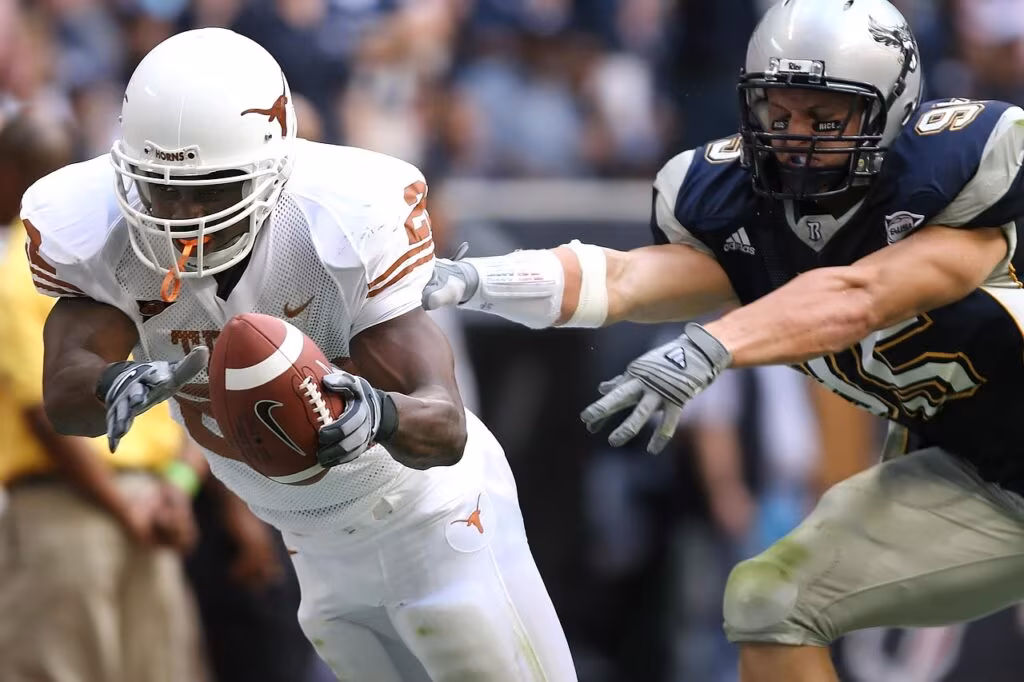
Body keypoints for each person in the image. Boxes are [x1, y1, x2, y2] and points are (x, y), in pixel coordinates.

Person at [421, 1, 1024, 680]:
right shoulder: (741, 211)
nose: (796, 137)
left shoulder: (955, 182)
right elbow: (621, 279)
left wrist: (711, 345)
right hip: (980, 474)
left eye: (826, 118)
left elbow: (861, 297)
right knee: (769, 601)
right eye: (779, 113)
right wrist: (476, 278)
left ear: (890, 109)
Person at [26, 28, 576, 682]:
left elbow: (446, 426)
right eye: (162, 188)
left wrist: (380, 415)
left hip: (436, 526)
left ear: (275, 167)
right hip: (313, 550)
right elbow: (63, 396)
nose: (183, 216)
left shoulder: (341, 217)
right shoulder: (93, 222)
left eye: (212, 189)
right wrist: (109, 381)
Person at [0, 103, 203, 682]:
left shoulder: (23, 267)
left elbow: (44, 415)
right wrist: (175, 493)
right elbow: (194, 387)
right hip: (155, 502)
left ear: (9, 173)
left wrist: (127, 510)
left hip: (69, 512)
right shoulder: (135, 259)